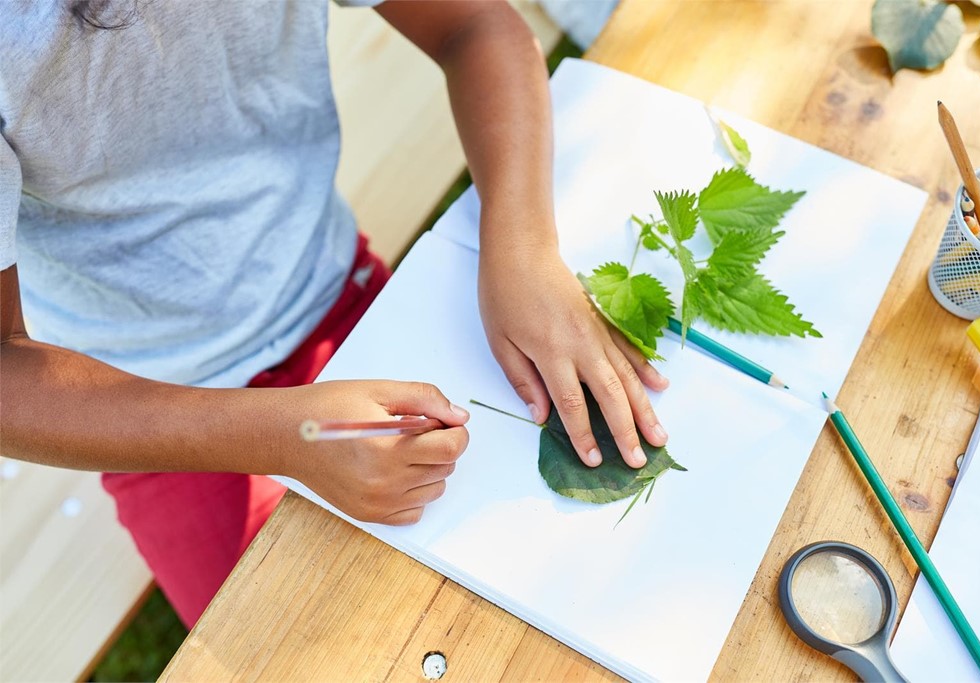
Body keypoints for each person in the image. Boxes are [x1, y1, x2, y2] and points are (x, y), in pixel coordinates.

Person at [0, 0, 669, 628]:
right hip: (147, 410)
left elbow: (475, 26)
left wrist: (522, 248)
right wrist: (283, 437)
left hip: (337, 295)